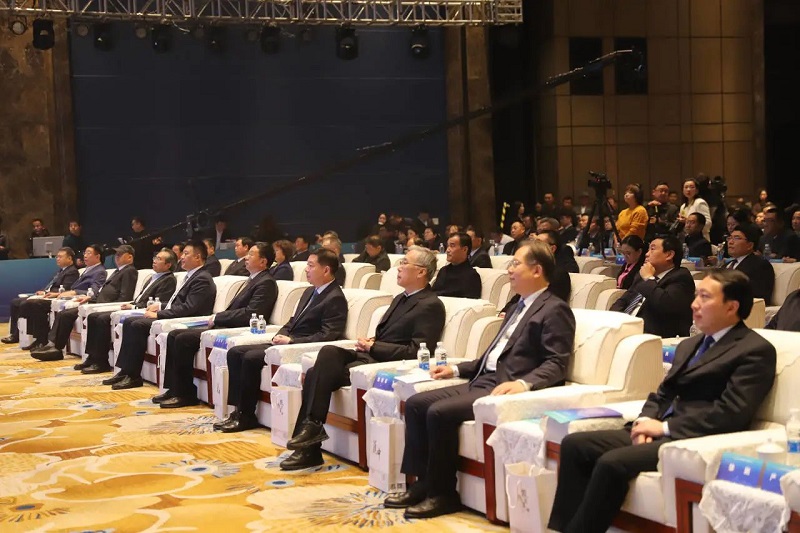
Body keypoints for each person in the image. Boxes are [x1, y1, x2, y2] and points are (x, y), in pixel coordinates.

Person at [549, 269, 777, 533]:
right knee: (575, 444)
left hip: (692, 438)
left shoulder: (754, 350)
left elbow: (732, 412)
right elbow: (663, 393)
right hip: (660, 429)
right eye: (696, 296)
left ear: (731, 307)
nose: (694, 304)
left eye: (704, 297)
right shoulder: (690, 345)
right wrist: (646, 420)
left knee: (611, 462)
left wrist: (664, 428)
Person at [385, 240, 576, 519]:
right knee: (415, 403)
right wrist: (455, 369)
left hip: (504, 386)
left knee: (438, 412)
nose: (509, 269)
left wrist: (524, 384)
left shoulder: (554, 309)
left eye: (516, 264)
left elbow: (556, 363)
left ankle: (443, 494)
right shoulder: (518, 306)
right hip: (482, 379)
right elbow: (492, 356)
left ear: (536, 270)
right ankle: (421, 483)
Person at [280, 246, 446, 471]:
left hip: (385, 363)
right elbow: (389, 335)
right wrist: (372, 342)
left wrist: (375, 346)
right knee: (328, 352)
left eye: (404, 263)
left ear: (421, 272)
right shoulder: (400, 298)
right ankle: (312, 430)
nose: (399, 267)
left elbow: (417, 350)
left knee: (312, 374)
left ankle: (309, 446)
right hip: (369, 354)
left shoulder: (431, 305)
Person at [216, 249, 349, 433]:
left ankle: (246, 415)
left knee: (250, 358)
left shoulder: (335, 298)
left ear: (326, 270)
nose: (306, 270)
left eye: (311, 266)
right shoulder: (309, 291)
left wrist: (291, 341)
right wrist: (280, 334)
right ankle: (237, 410)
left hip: (300, 348)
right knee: (235, 352)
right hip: (285, 342)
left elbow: (328, 335)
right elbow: (293, 321)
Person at [156, 243, 278, 408]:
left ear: (263, 262)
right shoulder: (252, 280)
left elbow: (250, 313)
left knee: (183, 339)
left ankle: (185, 394)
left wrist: (219, 317)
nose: (246, 258)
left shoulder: (266, 282)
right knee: (174, 334)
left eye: (251, 254)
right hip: (226, 324)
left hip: (237, 329)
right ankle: (175, 388)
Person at [103, 241, 216, 390]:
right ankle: (126, 371)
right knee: (130, 321)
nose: (181, 257)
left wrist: (159, 315)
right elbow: (178, 302)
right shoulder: (191, 276)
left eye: (186, 253)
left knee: (138, 324)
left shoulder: (202, 278)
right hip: (178, 315)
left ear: (198, 257)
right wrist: (161, 306)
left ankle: (133, 376)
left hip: (188, 320)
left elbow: (189, 308)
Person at [77, 249, 178, 374]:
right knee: (93, 316)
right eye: (155, 258)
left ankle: (101, 362)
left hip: (143, 311)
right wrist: (132, 304)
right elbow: (140, 298)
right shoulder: (153, 277)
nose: (154, 261)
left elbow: (156, 304)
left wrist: (134, 307)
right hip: (135, 306)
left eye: (159, 259)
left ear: (168, 265)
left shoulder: (168, 280)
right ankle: (92, 357)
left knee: (103, 319)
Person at [31, 245, 139, 362]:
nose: (116, 257)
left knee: (70, 315)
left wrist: (107, 306)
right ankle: (53, 346)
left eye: (120, 255)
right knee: (64, 313)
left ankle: (58, 349)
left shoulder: (129, 271)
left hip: (105, 306)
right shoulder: (118, 271)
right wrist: (90, 298)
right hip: (96, 303)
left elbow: (125, 296)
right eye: (116, 254)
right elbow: (102, 291)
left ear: (129, 257)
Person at [18, 245, 108, 351]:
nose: (85, 255)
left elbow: (94, 291)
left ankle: (48, 343)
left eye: (89, 253)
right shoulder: (87, 270)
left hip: (78, 299)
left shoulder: (100, 271)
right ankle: (44, 341)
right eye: (85, 253)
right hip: (67, 298)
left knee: (38, 305)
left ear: (97, 256)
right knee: (31, 303)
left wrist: (74, 292)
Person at [610, 236, 695, 338]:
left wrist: (648, 278)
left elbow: (665, 304)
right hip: (627, 329)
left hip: (653, 337)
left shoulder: (681, 277)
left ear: (669, 255)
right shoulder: (642, 275)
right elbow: (623, 301)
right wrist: (612, 320)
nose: (646, 254)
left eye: (652, 249)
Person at [1, 247, 80, 345]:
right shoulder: (60, 271)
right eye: (57, 256)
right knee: (15, 302)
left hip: (54, 298)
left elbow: (65, 288)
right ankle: (15, 334)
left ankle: (38, 338)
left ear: (69, 258)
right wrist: (43, 291)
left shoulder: (72, 272)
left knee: (27, 304)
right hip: (46, 295)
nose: (57, 259)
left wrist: (46, 294)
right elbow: (51, 286)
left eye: (60, 257)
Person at [725, 224, 775, 305]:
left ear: (750, 245)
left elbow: (758, 295)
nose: (730, 242)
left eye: (737, 238)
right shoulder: (726, 265)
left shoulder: (760, 265)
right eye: (729, 238)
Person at [431, 232, 482, 299]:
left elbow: (471, 302)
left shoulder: (472, 276)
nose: (447, 250)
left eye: (452, 246)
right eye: (448, 246)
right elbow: (432, 294)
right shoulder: (443, 270)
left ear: (464, 249)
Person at [533, 232, 573, 302]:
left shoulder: (559, 274)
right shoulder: (530, 269)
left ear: (552, 248)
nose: (533, 247)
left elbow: (553, 304)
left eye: (539, 243)